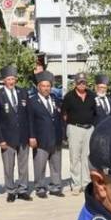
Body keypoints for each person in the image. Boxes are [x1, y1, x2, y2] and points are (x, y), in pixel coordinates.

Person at [0, 65, 32, 203]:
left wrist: (31, 135)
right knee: (9, 166)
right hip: (7, 138)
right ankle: (11, 190)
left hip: (23, 136)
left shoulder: (23, 92)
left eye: (13, 78)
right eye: (9, 79)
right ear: (4, 80)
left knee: (23, 166)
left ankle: (23, 189)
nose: (11, 81)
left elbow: (29, 116)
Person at [27, 71, 64, 199]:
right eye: (43, 86)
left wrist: (63, 135)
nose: (46, 88)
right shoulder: (32, 101)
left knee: (56, 165)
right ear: (38, 87)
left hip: (55, 137)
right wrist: (31, 137)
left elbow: (60, 118)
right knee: (40, 165)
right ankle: (40, 187)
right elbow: (30, 120)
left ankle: (55, 186)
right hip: (40, 139)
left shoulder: (55, 99)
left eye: (48, 86)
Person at [61, 72, 96, 195]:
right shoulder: (69, 96)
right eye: (80, 82)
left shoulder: (92, 95)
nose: (82, 84)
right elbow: (64, 114)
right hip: (75, 128)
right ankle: (76, 184)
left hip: (89, 129)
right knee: (75, 157)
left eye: (84, 82)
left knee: (87, 157)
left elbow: (95, 112)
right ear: (75, 83)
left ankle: (86, 183)